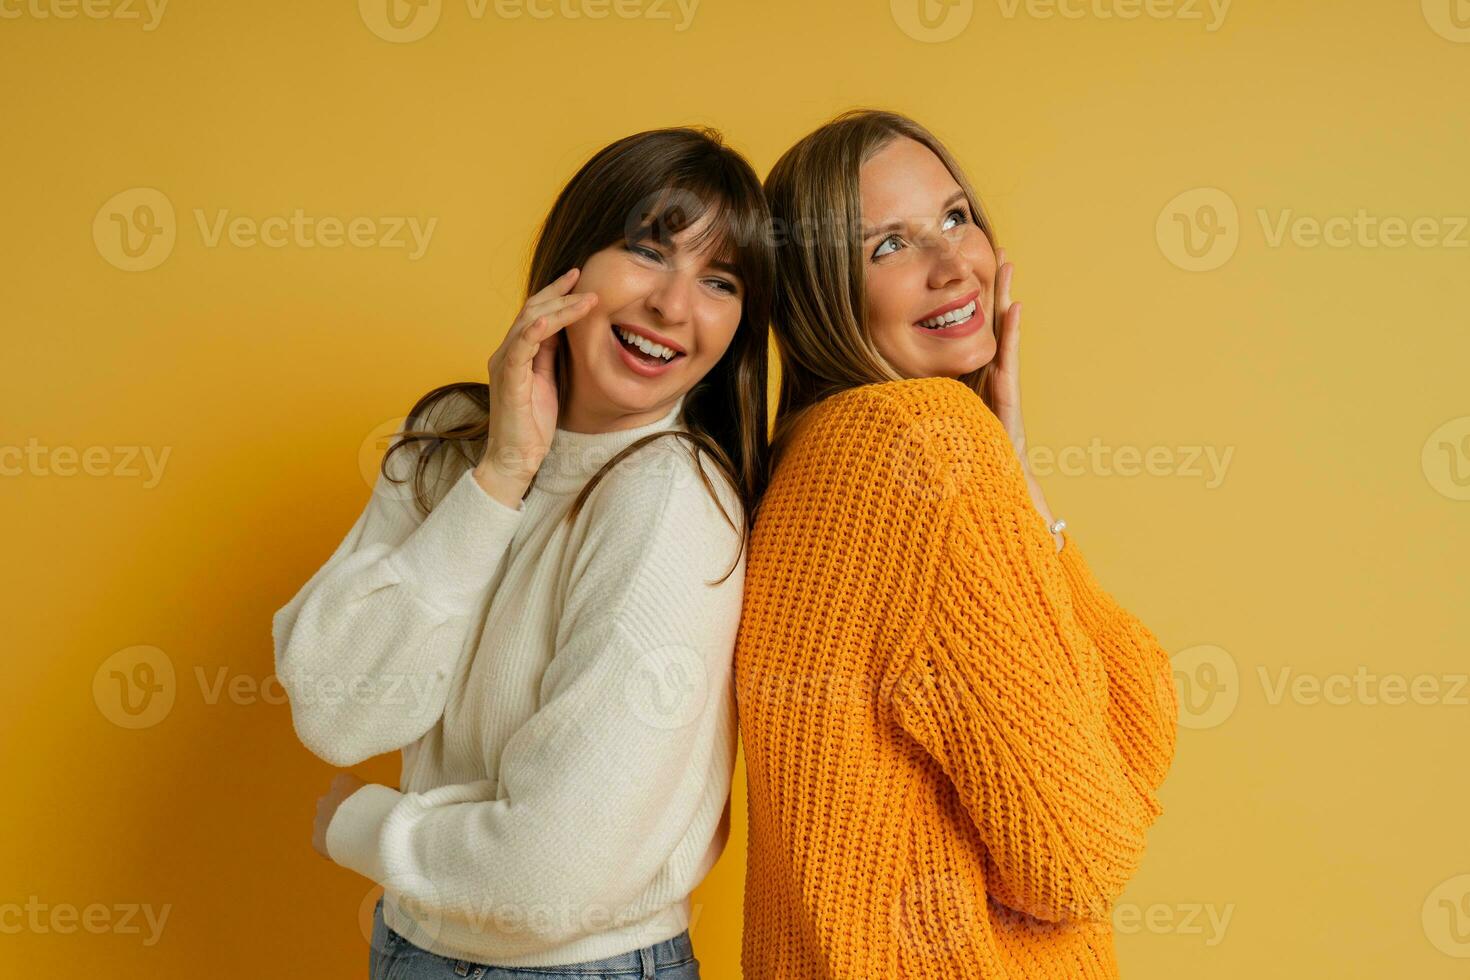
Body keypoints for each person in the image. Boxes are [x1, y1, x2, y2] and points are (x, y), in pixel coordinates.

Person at [272, 126, 775, 979]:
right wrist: (502, 474)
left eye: (719, 282)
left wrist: (370, 828)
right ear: (571, 259)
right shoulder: (451, 442)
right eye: (648, 251)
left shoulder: (668, 503)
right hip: (410, 947)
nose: (674, 307)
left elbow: (548, 878)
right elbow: (339, 711)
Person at [734, 108, 1180, 978]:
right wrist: (1004, 472)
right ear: (824, 291)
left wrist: (1012, 477)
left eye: (954, 216)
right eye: (887, 248)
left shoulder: (796, 460)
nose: (951, 266)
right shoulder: (929, 444)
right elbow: (1079, 855)